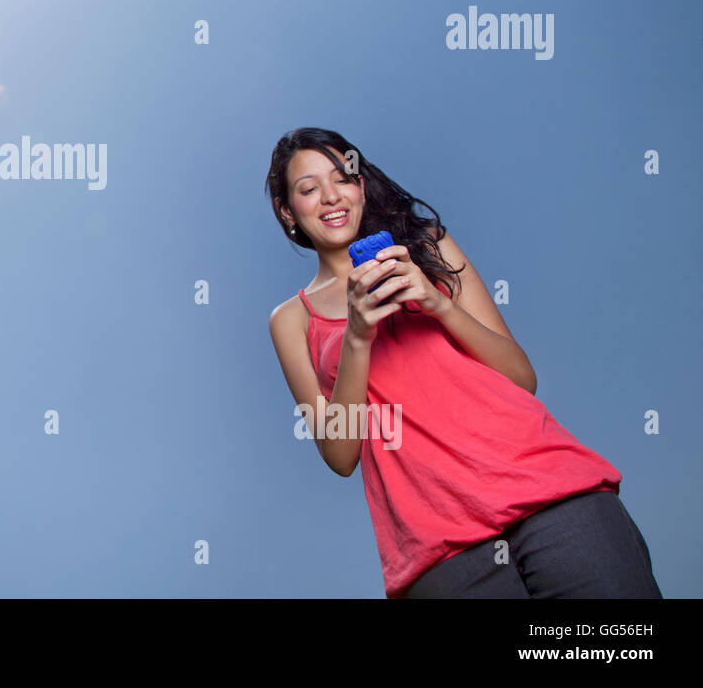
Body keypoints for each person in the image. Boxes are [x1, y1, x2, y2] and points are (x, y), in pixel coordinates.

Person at [265, 127, 662, 598]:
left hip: (552, 493)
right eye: (309, 189)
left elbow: (521, 377)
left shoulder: (428, 246)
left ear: (361, 186)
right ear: (289, 212)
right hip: (437, 544)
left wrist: (438, 304)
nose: (331, 196)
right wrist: (356, 336)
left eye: (343, 178)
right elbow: (340, 454)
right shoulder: (291, 320)